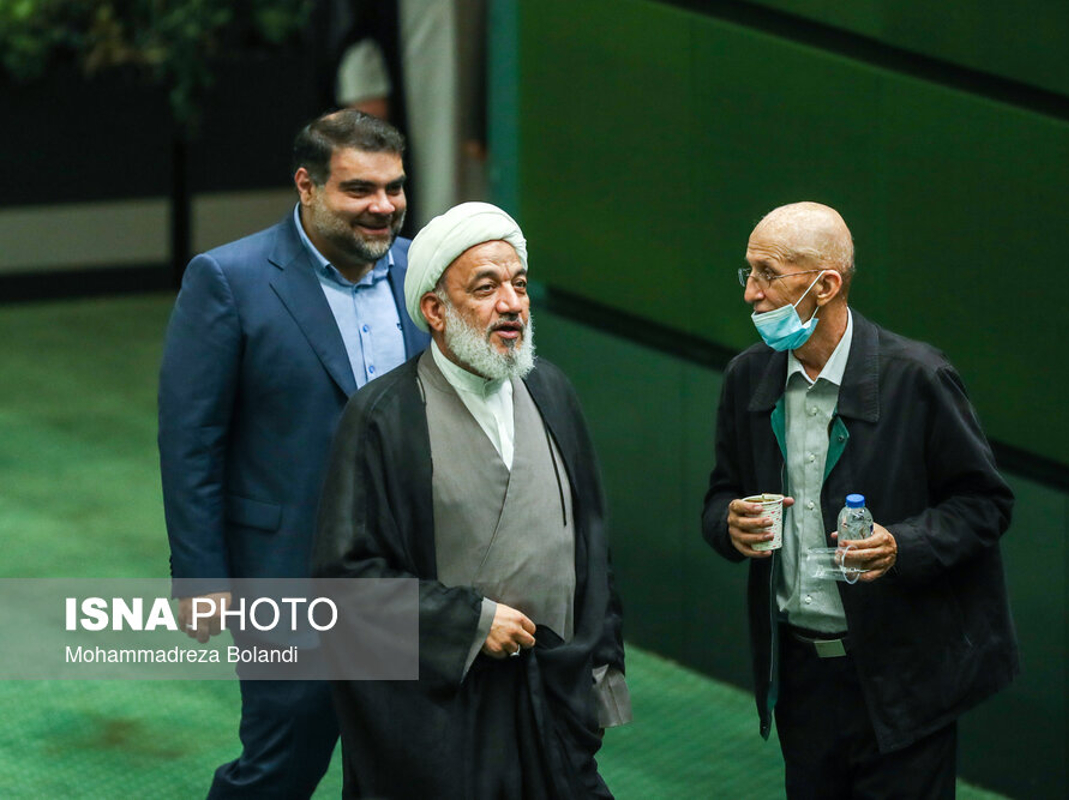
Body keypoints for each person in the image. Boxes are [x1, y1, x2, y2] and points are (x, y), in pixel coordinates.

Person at [312, 201, 630, 799]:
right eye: (486, 289)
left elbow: (591, 545)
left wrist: (599, 675)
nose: (511, 304)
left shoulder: (552, 390)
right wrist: (470, 623)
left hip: (554, 704)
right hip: (444, 724)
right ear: (435, 310)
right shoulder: (383, 417)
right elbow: (344, 586)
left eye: (519, 285)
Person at [702, 202, 1018, 798]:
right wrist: (728, 523)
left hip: (903, 678)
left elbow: (985, 504)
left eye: (768, 274)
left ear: (825, 286)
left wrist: (903, 545)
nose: (750, 293)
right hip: (801, 680)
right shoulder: (747, 378)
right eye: (748, 271)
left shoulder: (918, 378)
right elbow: (721, 493)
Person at [158, 109, 430, 798]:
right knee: (284, 760)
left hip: (410, 571)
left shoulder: (425, 271)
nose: (383, 207)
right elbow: (192, 442)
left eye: (394, 188)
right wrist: (200, 576)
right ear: (307, 186)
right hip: (286, 572)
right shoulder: (228, 279)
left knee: (404, 763)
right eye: (359, 189)